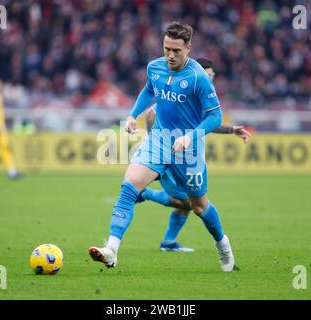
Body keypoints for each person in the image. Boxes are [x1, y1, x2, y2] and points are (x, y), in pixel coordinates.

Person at [89, 22, 237, 272]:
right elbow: (149, 91)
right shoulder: (155, 67)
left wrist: (191, 136)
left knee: (199, 207)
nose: (170, 55)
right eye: (167, 48)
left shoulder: (199, 77)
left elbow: (215, 117)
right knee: (129, 186)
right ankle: (111, 249)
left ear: (188, 48)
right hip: (158, 140)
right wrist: (132, 115)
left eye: (176, 51)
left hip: (187, 150)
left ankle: (223, 245)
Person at [137, 57, 251, 253]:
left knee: (188, 203)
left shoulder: (202, 98)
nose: (209, 79)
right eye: (207, 75)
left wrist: (231, 130)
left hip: (189, 158)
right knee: (188, 202)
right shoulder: (180, 94)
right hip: (170, 157)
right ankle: (144, 194)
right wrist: (157, 148)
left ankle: (168, 242)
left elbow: (209, 123)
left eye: (211, 76)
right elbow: (150, 114)